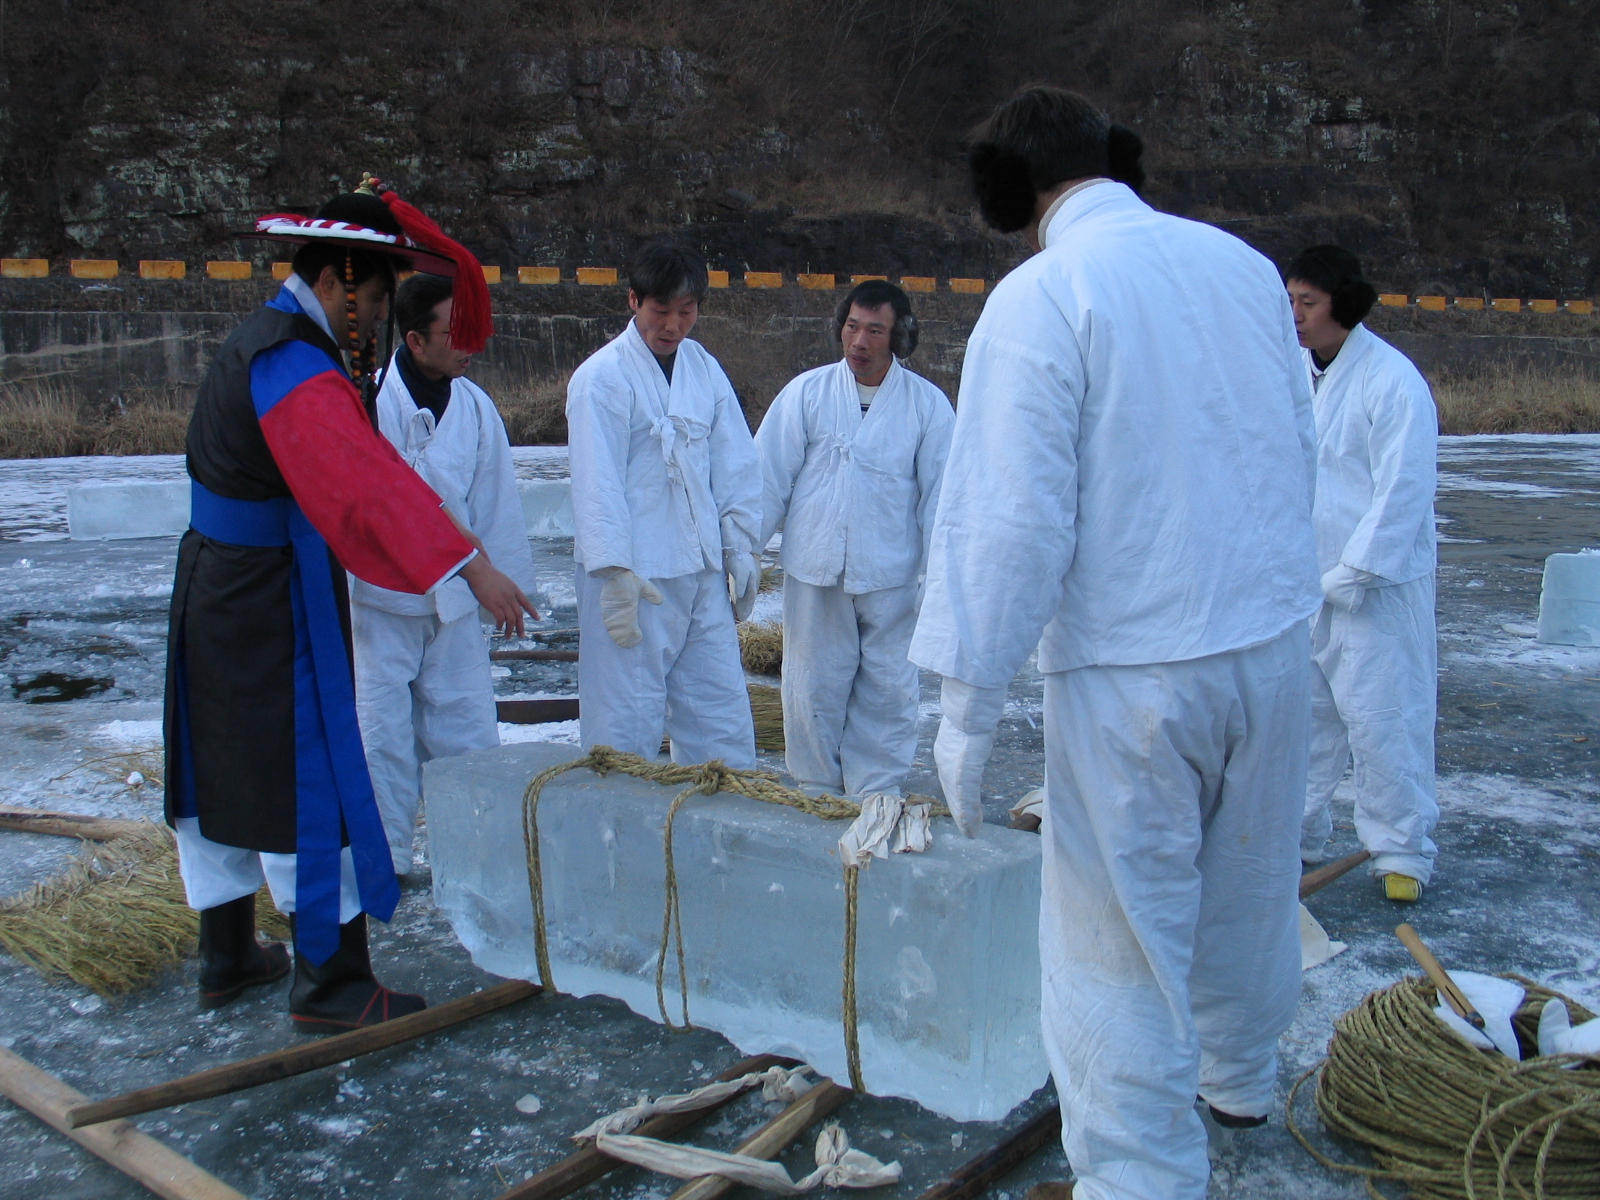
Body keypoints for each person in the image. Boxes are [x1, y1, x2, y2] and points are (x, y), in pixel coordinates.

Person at [909, 88, 1321, 1200]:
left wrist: (967, 706)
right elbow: (1295, 442)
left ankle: (1140, 1177)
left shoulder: (1044, 295)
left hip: (1135, 670)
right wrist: (1286, 603)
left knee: (1116, 942)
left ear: (1006, 185)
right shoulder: (1240, 265)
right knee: (1248, 885)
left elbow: (1010, 523)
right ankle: (1239, 1072)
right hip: (1271, 640)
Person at [166, 178, 536, 1030]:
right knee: (311, 779)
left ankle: (225, 955)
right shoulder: (295, 364)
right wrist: (468, 568)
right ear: (334, 283)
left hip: (218, 586)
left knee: (220, 763)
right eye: (370, 297)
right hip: (264, 595)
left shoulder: (270, 342)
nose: (367, 317)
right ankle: (329, 984)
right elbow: (370, 492)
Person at [352, 271, 539, 878]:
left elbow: (495, 503)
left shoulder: (477, 408)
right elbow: (379, 504)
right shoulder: (367, 403)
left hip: (458, 600)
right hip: (381, 601)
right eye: (453, 332)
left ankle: (477, 862)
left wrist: (504, 588)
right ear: (413, 339)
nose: (468, 344)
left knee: (468, 733)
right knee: (380, 740)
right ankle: (384, 865)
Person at [754, 280, 952, 797]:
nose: (859, 342)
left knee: (888, 689)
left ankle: (874, 792)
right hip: (815, 571)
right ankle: (816, 791)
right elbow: (766, 478)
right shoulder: (808, 393)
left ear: (898, 337)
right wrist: (743, 550)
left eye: (875, 331)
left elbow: (942, 500)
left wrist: (940, 577)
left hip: (890, 576)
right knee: (811, 686)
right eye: (852, 327)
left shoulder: (927, 407)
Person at [566, 244, 761, 766]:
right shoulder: (601, 378)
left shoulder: (704, 369)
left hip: (699, 571)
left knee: (719, 714)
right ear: (634, 300)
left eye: (686, 311)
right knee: (625, 719)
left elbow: (735, 462)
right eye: (661, 311)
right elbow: (596, 483)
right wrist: (613, 573)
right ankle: (617, 837)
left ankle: (715, 832)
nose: (674, 325)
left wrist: (739, 550)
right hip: (635, 579)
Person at [1287, 245, 1439, 902]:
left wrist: (1358, 570)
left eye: (1308, 302)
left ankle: (1400, 850)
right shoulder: (1292, 373)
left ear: (1342, 305)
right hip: (1305, 584)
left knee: (1384, 721)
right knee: (1303, 720)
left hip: (1374, 593)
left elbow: (1403, 490)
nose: (1294, 315)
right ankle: (1295, 833)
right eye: (1289, 300)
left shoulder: (1392, 381)